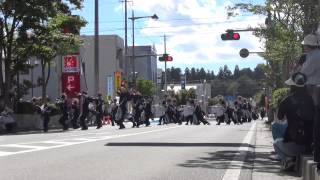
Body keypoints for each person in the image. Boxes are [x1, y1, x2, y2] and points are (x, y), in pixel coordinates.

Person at [273, 72, 315, 171]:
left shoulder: (287, 100)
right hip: (310, 144)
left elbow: (280, 117)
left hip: (294, 144)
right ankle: (289, 159)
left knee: (276, 142)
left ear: (292, 85)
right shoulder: (311, 99)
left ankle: (287, 159)